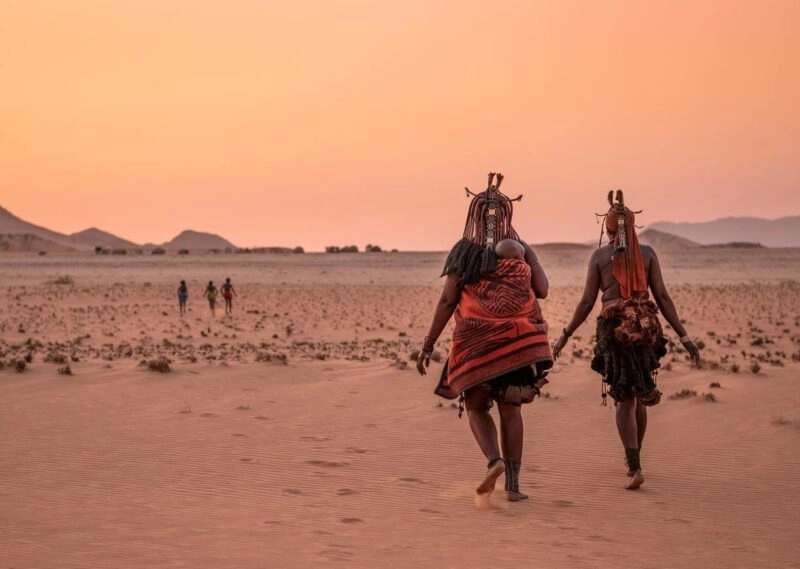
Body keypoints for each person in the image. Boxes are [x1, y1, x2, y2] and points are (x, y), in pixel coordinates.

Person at [416, 173, 553, 501]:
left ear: (474, 215)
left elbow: (448, 301)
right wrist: (529, 253)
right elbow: (543, 290)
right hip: (514, 343)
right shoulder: (519, 253)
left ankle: (493, 461)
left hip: (474, 344)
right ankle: (514, 487)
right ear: (507, 215)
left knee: (477, 407)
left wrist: (428, 343)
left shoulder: (463, 253)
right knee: (511, 408)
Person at [552, 190, 701, 490]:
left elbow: (585, 304)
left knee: (624, 397)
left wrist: (564, 336)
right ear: (633, 227)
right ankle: (636, 459)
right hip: (645, 327)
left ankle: (634, 466)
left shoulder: (599, 257)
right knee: (640, 391)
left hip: (614, 328)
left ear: (607, 229)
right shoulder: (647, 255)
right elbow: (662, 297)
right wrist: (684, 337)